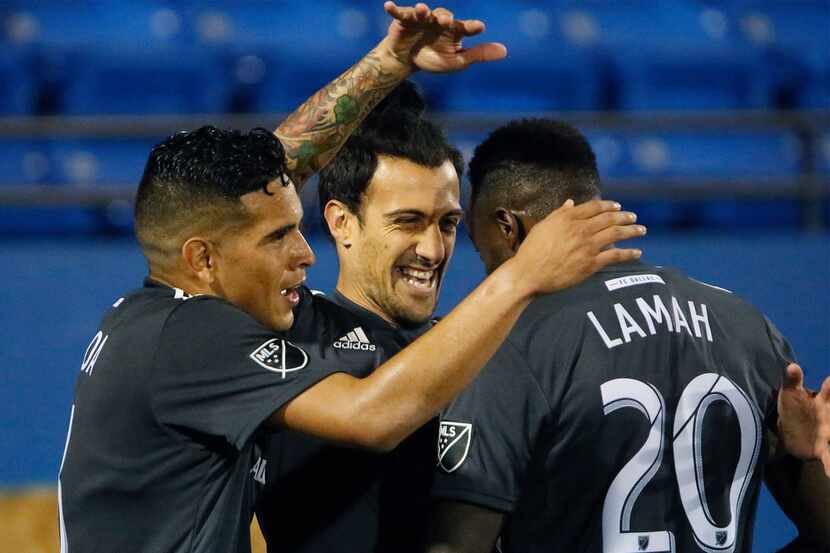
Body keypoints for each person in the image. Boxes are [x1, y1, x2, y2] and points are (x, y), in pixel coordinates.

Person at [56, 5, 646, 553]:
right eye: (276, 238)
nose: (303, 253)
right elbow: (373, 416)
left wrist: (389, 63)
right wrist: (522, 276)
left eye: (447, 222)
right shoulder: (195, 334)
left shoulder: (153, 317)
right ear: (204, 259)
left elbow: (275, 171)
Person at [425, 119, 830, 553]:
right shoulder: (750, 328)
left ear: (507, 227)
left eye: (475, 238)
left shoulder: (510, 342)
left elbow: (457, 546)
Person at [255, 81, 467, 553]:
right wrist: (387, 65)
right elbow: (250, 189)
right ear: (341, 222)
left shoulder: (469, 348)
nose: (433, 250)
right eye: (408, 221)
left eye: (447, 224)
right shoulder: (288, 328)